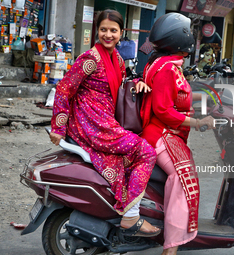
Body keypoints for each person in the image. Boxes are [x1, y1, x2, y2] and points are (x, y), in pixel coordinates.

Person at [49, 9, 160, 237]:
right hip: (92, 125)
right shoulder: (90, 59)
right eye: (103, 30)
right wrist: (58, 127)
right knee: (147, 153)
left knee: (133, 153)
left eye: (113, 30)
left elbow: (123, 82)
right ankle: (131, 217)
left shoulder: (117, 59)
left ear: (121, 32)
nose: (108, 35)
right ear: (97, 30)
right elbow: (64, 89)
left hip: (106, 122)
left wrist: (139, 83)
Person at [140, 13, 215, 255]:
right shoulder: (166, 69)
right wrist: (197, 121)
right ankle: (170, 247)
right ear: (180, 37)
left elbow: (176, 97)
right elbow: (163, 110)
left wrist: (205, 98)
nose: (192, 37)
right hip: (160, 134)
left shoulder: (167, 63)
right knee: (183, 179)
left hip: (167, 133)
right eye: (189, 32)